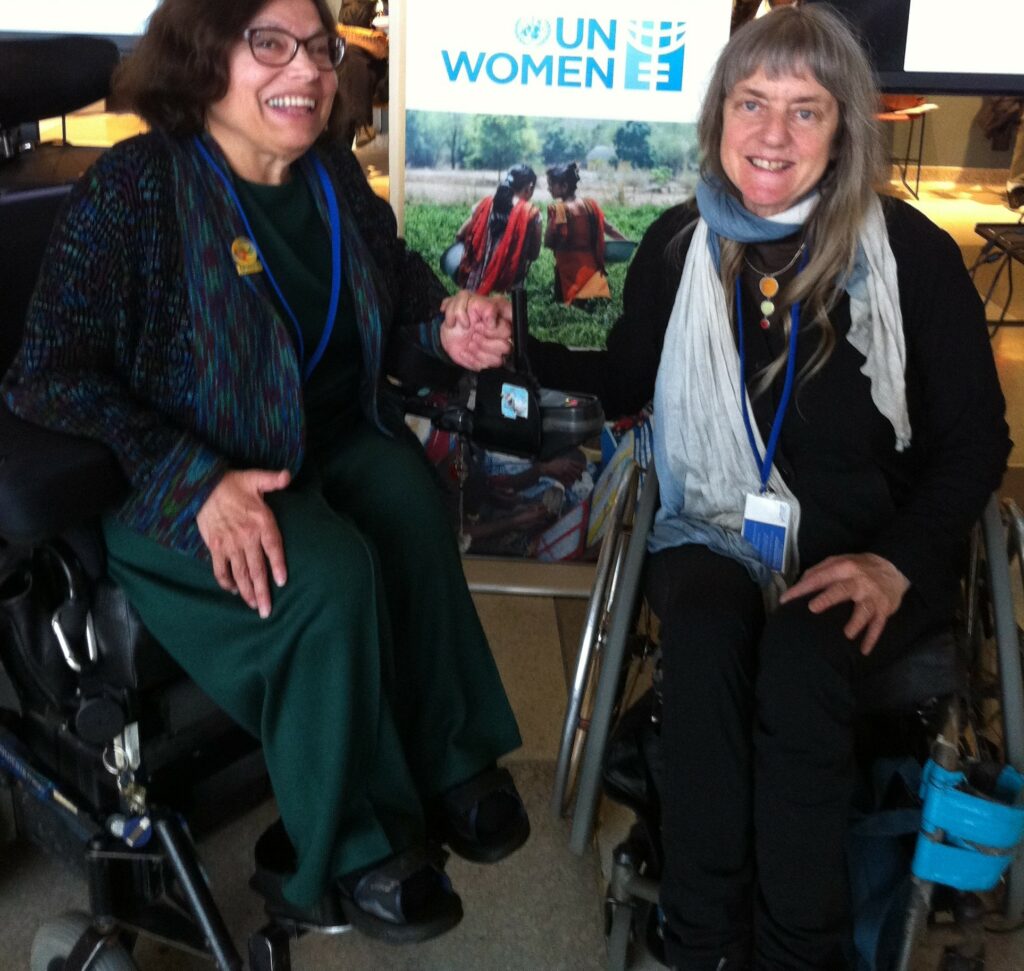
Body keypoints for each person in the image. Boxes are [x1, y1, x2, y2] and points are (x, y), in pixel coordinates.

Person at [1, 0, 529, 946]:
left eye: (320, 49)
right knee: (319, 572)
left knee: (409, 500)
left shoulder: (327, 175)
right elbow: (46, 375)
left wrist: (445, 324)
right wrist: (190, 477)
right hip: (178, 473)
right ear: (206, 62)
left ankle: (449, 762)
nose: (310, 69)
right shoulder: (135, 188)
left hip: (318, 437)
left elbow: (399, 285)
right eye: (271, 44)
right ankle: (347, 849)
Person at [530, 7, 1009, 968]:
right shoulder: (677, 245)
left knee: (799, 658)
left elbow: (978, 444)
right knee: (704, 639)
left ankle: (801, 950)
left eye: (806, 110)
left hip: (868, 545)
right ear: (719, 116)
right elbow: (625, 382)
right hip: (711, 529)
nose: (772, 135)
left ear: (845, 130)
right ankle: (704, 938)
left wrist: (895, 563)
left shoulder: (910, 257)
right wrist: (516, 351)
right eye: (752, 103)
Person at [544, 161, 626, 305]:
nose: (548, 188)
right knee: (595, 306)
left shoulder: (559, 209)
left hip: (569, 272)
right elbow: (608, 228)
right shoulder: (590, 205)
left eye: (551, 184)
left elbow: (549, 242)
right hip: (592, 269)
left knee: (569, 308)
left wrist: (549, 222)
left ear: (564, 186)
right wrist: (626, 242)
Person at [454, 164, 542, 295]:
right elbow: (534, 255)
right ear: (530, 187)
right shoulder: (532, 214)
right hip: (509, 285)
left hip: (476, 283)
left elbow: (460, 234)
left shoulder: (484, 204)